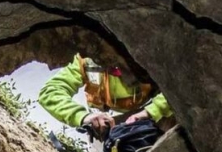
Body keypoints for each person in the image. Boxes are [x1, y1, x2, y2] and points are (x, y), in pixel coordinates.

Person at [38, 54, 173, 138]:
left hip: (150, 115)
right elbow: (50, 91)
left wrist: (151, 112)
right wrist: (84, 117)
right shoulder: (85, 60)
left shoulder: (148, 58)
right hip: (102, 125)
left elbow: (180, 87)